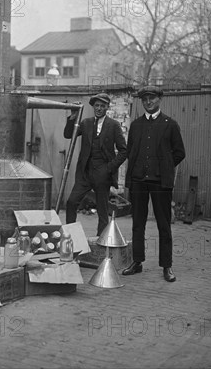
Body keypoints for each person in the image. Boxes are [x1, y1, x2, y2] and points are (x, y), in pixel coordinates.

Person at [122, 86, 185, 282]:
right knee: (137, 224)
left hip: (160, 182)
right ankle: (137, 261)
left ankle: (167, 266)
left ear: (159, 99)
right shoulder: (136, 125)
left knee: (163, 225)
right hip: (138, 180)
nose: (148, 102)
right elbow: (131, 151)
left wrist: (165, 167)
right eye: (145, 99)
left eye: (152, 98)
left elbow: (179, 152)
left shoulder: (170, 124)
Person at [63, 93, 127, 236]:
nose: (99, 108)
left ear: (107, 108)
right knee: (71, 202)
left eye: (102, 106)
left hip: (102, 174)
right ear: (93, 107)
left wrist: (109, 168)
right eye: (97, 106)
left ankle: (101, 243)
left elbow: (124, 151)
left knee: (103, 211)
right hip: (85, 173)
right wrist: (73, 116)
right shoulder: (85, 123)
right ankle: (70, 237)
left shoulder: (114, 125)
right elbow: (68, 134)